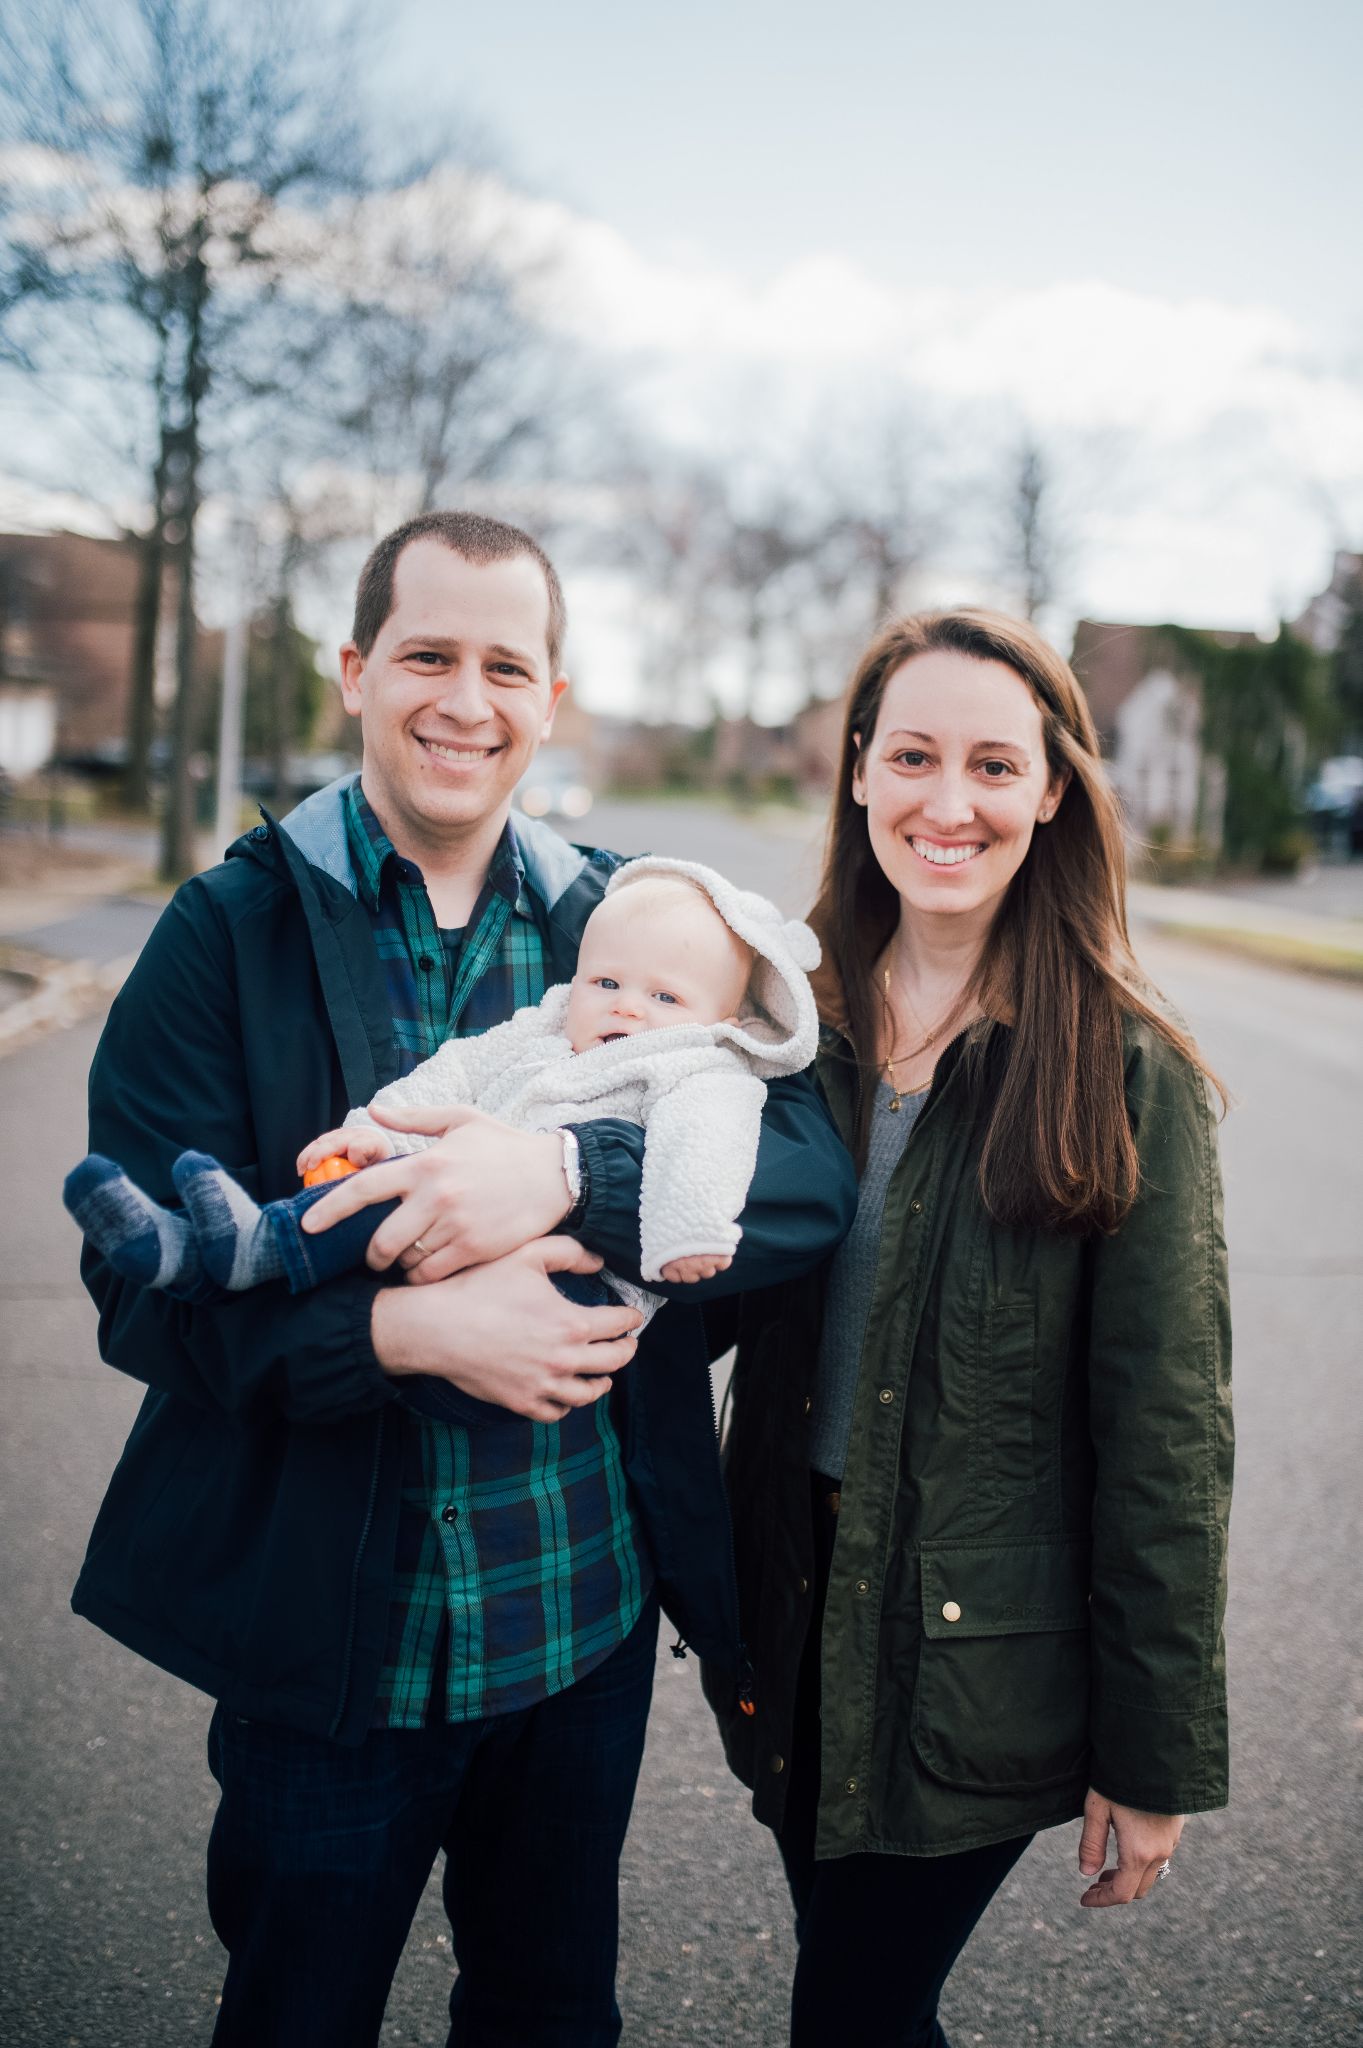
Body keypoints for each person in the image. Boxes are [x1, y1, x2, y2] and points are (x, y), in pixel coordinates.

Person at [70, 509, 857, 2048]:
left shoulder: (626, 922)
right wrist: (404, 1329)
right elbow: (142, 1295)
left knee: (551, 2008)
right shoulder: (223, 934)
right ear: (355, 670)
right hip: (332, 1644)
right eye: (427, 654)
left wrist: (567, 1177)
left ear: (549, 698)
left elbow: (804, 1172)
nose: (464, 699)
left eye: (507, 665)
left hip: (580, 1621)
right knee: (298, 2009)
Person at [703, 608, 1232, 2047]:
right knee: (857, 1992)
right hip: (788, 1603)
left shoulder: (1125, 1067)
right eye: (914, 757)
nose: (949, 804)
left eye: (993, 766)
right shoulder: (775, 1019)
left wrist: (1153, 1750)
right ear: (858, 773)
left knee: (854, 2008)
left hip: (971, 1648)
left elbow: (1164, 1438)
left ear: (1052, 789)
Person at [65, 856, 821, 1314]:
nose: (625, 1005)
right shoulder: (550, 1027)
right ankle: (223, 1246)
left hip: (571, 1285)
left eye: (664, 998)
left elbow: (707, 1149)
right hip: (453, 1226)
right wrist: (377, 1128)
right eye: (608, 979)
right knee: (364, 1194)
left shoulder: (701, 1067)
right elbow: (456, 1071)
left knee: (386, 1216)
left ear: (720, 1017)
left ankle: (256, 1249)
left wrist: (685, 1231)